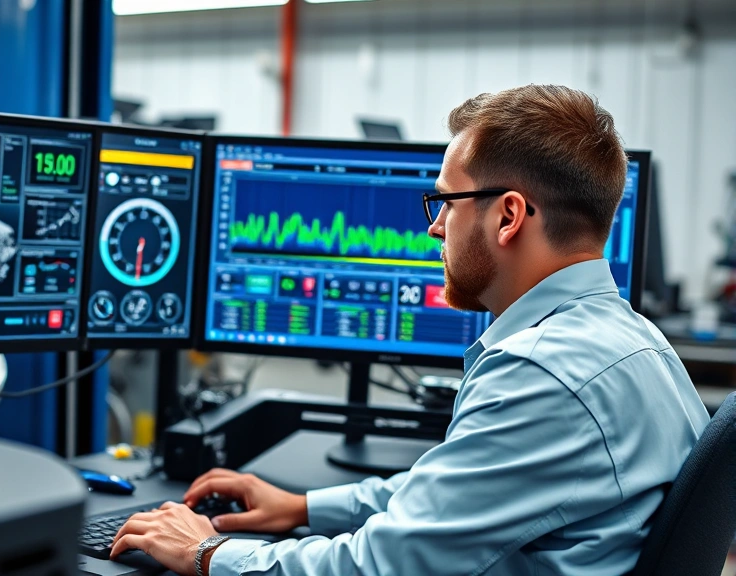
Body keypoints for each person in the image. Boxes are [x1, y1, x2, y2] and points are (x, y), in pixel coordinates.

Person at [110, 85, 710, 576]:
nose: (434, 229)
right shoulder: (634, 341)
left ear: (508, 216)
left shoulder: (543, 371)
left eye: (446, 203)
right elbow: (455, 496)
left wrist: (207, 552)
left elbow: (383, 567)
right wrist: (304, 507)